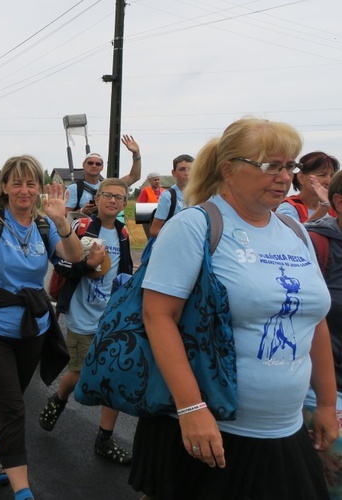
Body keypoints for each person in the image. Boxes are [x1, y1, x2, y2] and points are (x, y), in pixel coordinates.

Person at [132, 117, 336, 499]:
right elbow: (158, 316)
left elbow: (313, 320)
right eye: (270, 165)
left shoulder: (295, 233)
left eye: (288, 166)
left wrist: (325, 402)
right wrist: (192, 410)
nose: (283, 177)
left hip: (287, 431)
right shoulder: (194, 226)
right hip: (212, 432)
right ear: (229, 169)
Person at [0, 157, 82, 500]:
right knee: (12, 407)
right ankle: (23, 491)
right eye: (17, 183)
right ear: (5, 187)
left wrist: (62, 221)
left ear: (39, 188)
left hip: (33, 331)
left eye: (31, 183)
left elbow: (76, 256)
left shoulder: (44, 225)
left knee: (8, 399)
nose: (24, 190)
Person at [38, 178, 134, 465]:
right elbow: (63, 267)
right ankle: (59, 399)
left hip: (111, 317)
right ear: (99, 198)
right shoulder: (81, 228)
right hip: (81, 314)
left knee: (113, 378)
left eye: (119, 197)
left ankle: (104, 439)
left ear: (125, 204)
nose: (113, 201)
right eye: (108, 195)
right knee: (80, 374)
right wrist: (87, 265)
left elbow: (126, 271)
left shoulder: (124, 233)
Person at [304, 169, 342, 499]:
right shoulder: (314, 243)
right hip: (321, 388)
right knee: (327, 481)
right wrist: (326, 402)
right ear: (339, 203)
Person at [65, 135, 141, 216]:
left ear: (102, 167)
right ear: (83, 165)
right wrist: (82, 211)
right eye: (90, 163)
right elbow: (65, 214)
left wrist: (136, 154)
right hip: (83, 226)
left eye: (98, 164)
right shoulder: (74, 188)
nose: (94, 166)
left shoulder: (108, 185)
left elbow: (134, 177)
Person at [277, 151, 339, 223]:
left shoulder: (334, 208)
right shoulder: (289, 208)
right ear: (301, 177)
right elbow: (293, 233)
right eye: (322, 175)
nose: (328, 181)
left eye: (332, 176)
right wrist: (323, 208)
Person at [149, 154, 193, 238]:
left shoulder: (201, 195)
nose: (187, 173)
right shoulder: (168, 196)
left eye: (191, 169)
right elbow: (154, 230)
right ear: (174, 173)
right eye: (182, 169)